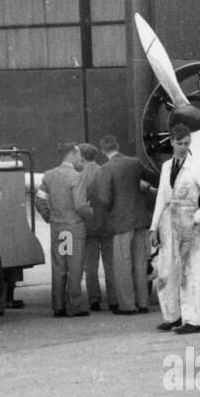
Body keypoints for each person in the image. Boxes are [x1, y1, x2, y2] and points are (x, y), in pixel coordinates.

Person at [149, 123, 200, 334]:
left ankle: (193, 320)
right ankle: (172, 316)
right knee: (165, 270)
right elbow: (162, 198)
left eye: (187, 143)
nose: (183, 146)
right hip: (166, 221)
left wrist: (196, 218)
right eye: (180, 143)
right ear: (171, 142)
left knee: (189, 272)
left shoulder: (198, 166)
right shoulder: (165, 166)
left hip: (188, 220)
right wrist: (153, 228)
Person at [92, 134, 155, 315]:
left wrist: (109, 210)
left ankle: (127, 305)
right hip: (139, 219)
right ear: (118, 145)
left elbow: (104, 198)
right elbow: (151, 177)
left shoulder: (106, 168)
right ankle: (143, 303)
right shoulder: (134, 162)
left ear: (103, 151)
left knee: (122, 265)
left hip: (120, 222)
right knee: (140, 263)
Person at [37, 142, 92, 317]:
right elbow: (81, 205)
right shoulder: (77, 177)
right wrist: (91, 214)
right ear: (72, 155)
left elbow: (39, 200)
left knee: (59, 266)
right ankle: (74, 306)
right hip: (74, 228)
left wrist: (49, 217)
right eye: (78, 155)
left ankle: (58, 306)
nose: (80, 158)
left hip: (58, 228)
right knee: (75, 267)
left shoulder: (48, 176)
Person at [77, 143, 115, 312]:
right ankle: (113, 299)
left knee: (90, 265)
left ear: (82, 157)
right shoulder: (104, 171)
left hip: (89, 225)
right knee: (110, 263)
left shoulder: (79, 176)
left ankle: (94, 299)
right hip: (106, 223)